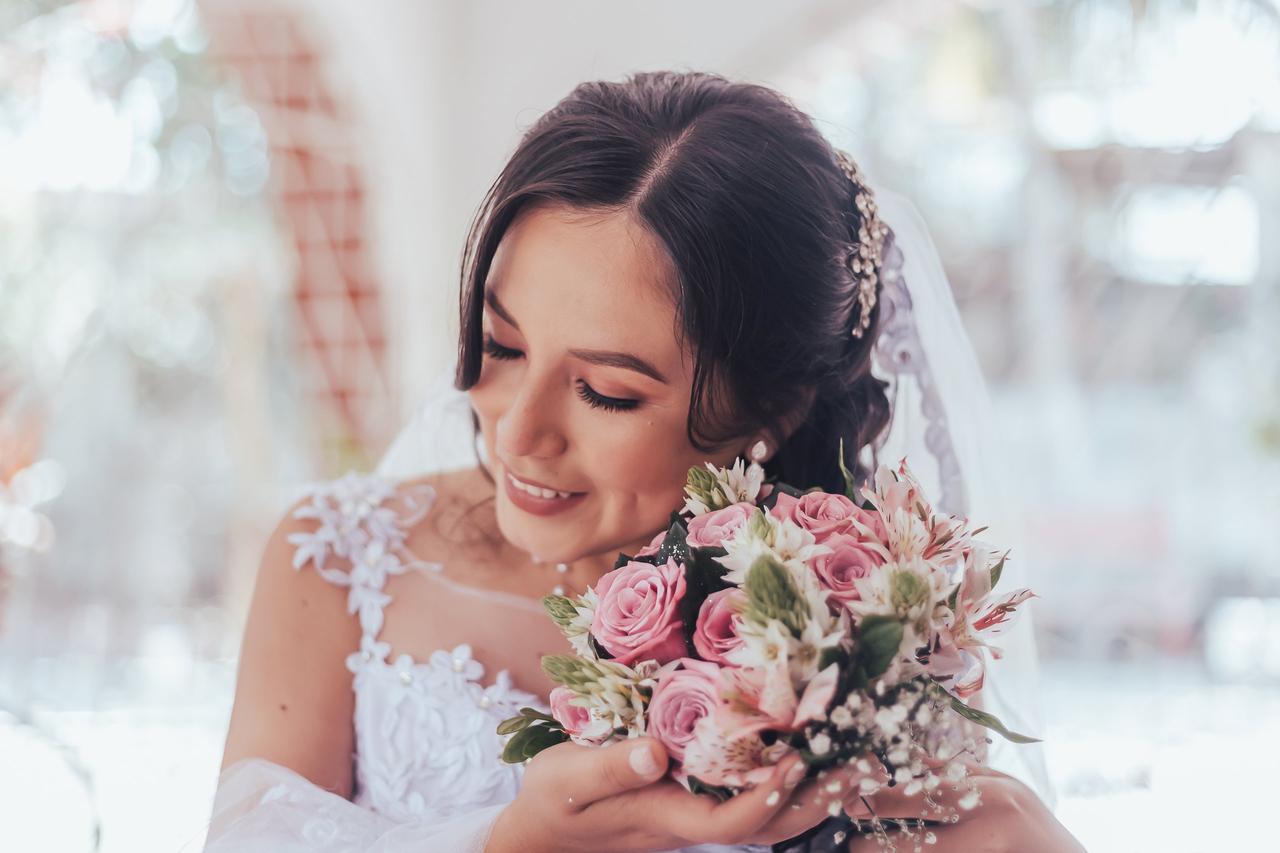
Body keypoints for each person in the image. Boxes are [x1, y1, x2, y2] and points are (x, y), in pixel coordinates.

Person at [205, 70, 1084, 852]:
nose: (516, 432)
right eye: (499, 344)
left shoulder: (843, 637)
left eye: (606, 392)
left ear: (770, 411)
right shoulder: (340, 559)